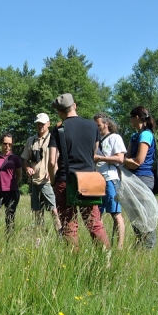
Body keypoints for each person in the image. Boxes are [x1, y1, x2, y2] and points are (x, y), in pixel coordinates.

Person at [47, 93, 110, 251]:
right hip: (88, 181)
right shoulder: (92, 126)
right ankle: (107, 258)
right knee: (94, 223)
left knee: (69, 225)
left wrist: (53, 181)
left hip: (65, 180)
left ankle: (73, 260)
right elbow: (94, 154)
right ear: (74, 106)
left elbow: (52, 161)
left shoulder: (58, 129)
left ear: (59, 112)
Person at [123, 105, 158, 249]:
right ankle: (139, 247)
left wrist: (121, 160)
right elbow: (127, 158)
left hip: (143, 178)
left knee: (145, 217)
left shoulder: (146, 135)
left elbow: (138, 161)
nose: (130, 120)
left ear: (137, 117)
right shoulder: (135, 136)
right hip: (132, 179)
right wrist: (124, 160)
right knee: (135, 218)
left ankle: (148, 248)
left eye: (131, 117)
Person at [21, 113, 62, 233]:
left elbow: (59, 159)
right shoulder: (30, 140)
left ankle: (60, 234)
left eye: (43, 124)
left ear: (48, 124)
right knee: (37, 210)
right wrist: (27, 168)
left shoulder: (54, 139)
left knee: (54, 209)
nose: (40, 126)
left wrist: (53, 171)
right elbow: (25, 159)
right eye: (38, 123)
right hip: (34, 181)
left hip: (48, 181)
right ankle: (39, 234)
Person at [93, 112, 127, 249]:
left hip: (110, 179)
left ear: (106, 124)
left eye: (98, 125)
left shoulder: (115, 138)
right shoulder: (96, 140)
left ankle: (119, 247)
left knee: (116, 213)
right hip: (97, 181)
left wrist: (100, 158)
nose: (97, 128)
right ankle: (102, 246)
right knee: (97, 215)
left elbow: (120, 159)